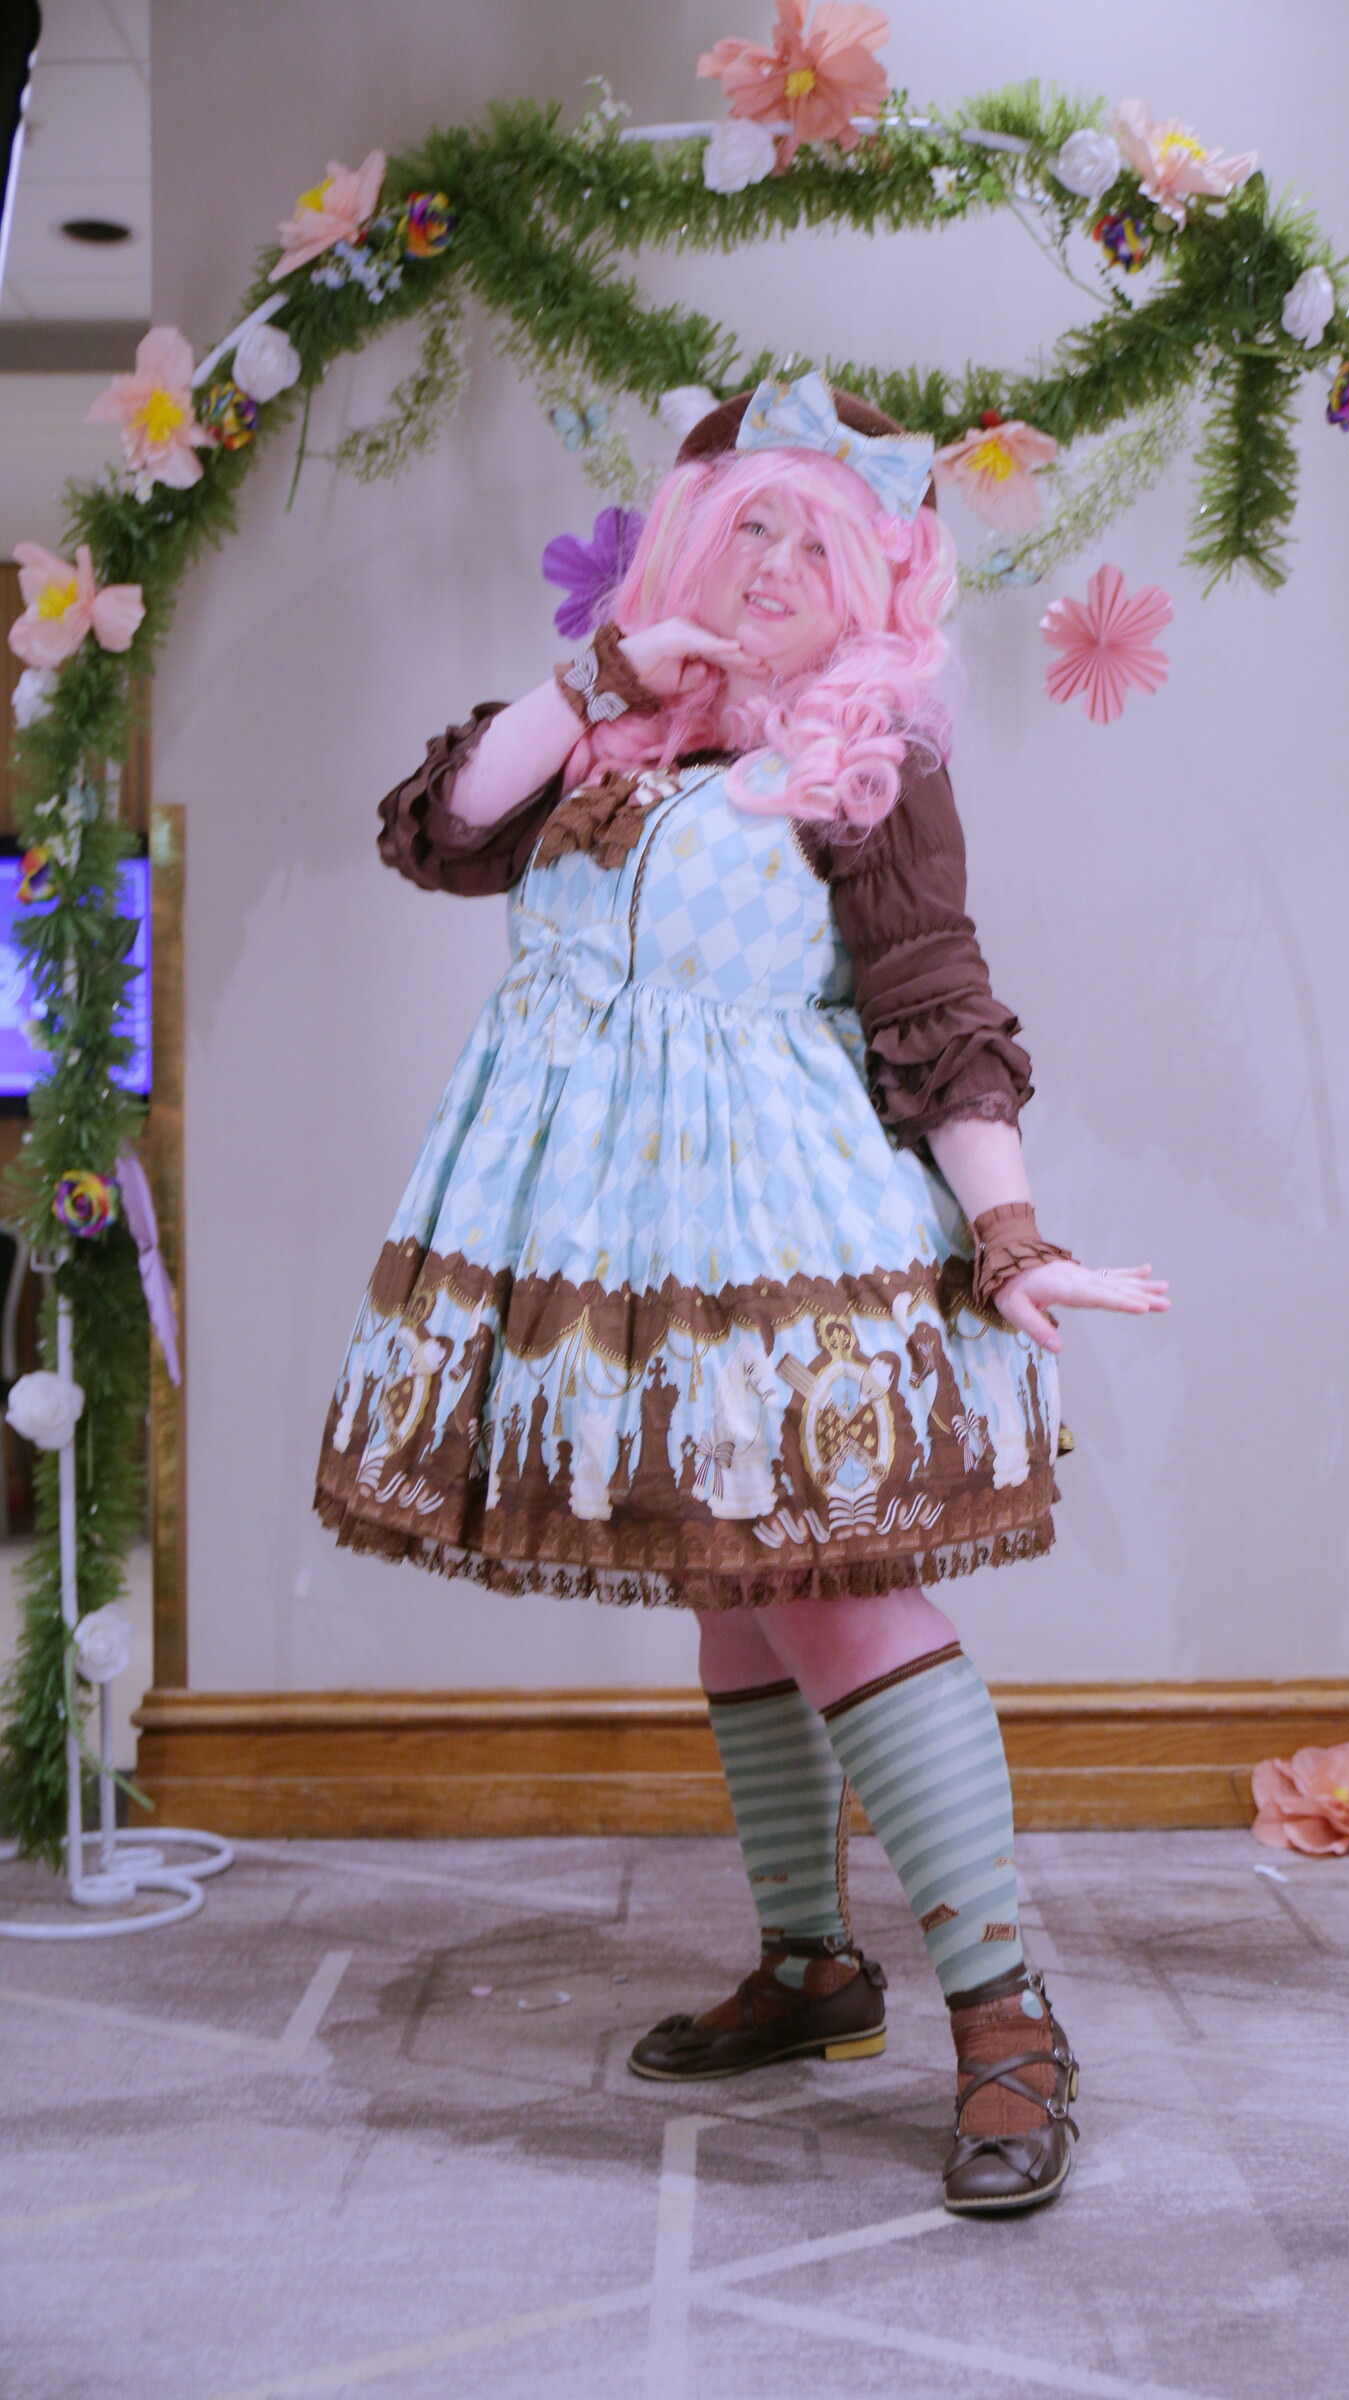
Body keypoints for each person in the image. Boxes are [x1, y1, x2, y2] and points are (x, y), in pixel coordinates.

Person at [315, 371, 1169, 2216]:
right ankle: (810, 1965)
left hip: (785, 1235)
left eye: (819, 542)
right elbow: (439, 828)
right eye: (748, 525)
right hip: (613, 1240)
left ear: (874, 585)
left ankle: (1007, 2012)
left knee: (833, 1584)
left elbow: (937, 1001)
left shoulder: (869, 760)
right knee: (729, 1582)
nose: (777, 561)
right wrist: (600, 683)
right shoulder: (609, 740)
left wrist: (1013, 1234)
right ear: (694, 548)